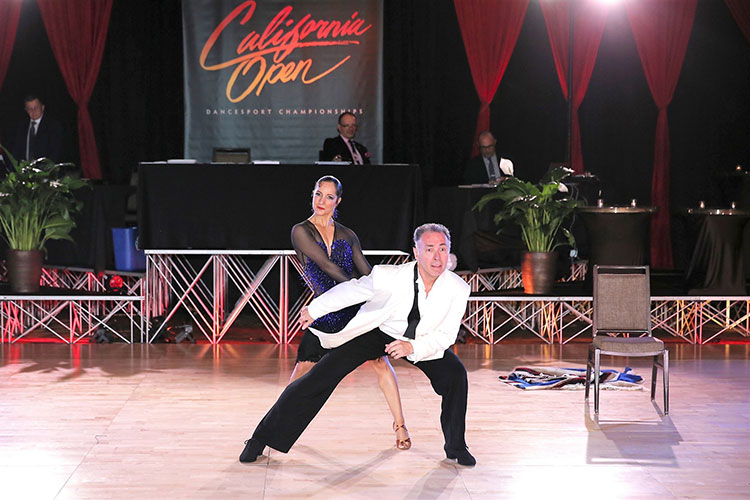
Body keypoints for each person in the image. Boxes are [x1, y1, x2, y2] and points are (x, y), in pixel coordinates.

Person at [239, 223, 476, 466]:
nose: (437, 257)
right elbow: (352, 291)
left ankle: (456, 446)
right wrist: (316, 309)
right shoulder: (389, 277)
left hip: (419, 342)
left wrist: (412, 347)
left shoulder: (458, 289)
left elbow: (447, 335)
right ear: (416, 252)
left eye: (442, 249)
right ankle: (260, 439)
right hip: (378, 331)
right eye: (429, 249)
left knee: (455, 375)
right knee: (319, 377)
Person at [290, 175, 411, 450]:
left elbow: (367, 272)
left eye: (329, 197)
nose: (321, 201)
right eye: (318, 194)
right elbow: (328, 268)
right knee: (303, 370)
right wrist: (360, 291)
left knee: (380, 362)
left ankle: (400, 425)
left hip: (356, 312)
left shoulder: (348, 235)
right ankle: (275, 425)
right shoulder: (301, 231)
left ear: (338, 201)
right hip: (326, 313)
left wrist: (382, 291)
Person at [11, 95, 63, 163]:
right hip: (24, 168)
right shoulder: (22, 126)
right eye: (30, 109)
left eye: (36, 108)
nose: (33, 111)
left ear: (42, 107)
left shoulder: (53, 126)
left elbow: (55, 152)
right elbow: (16, 150)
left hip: (45, 168)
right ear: (26, 110)